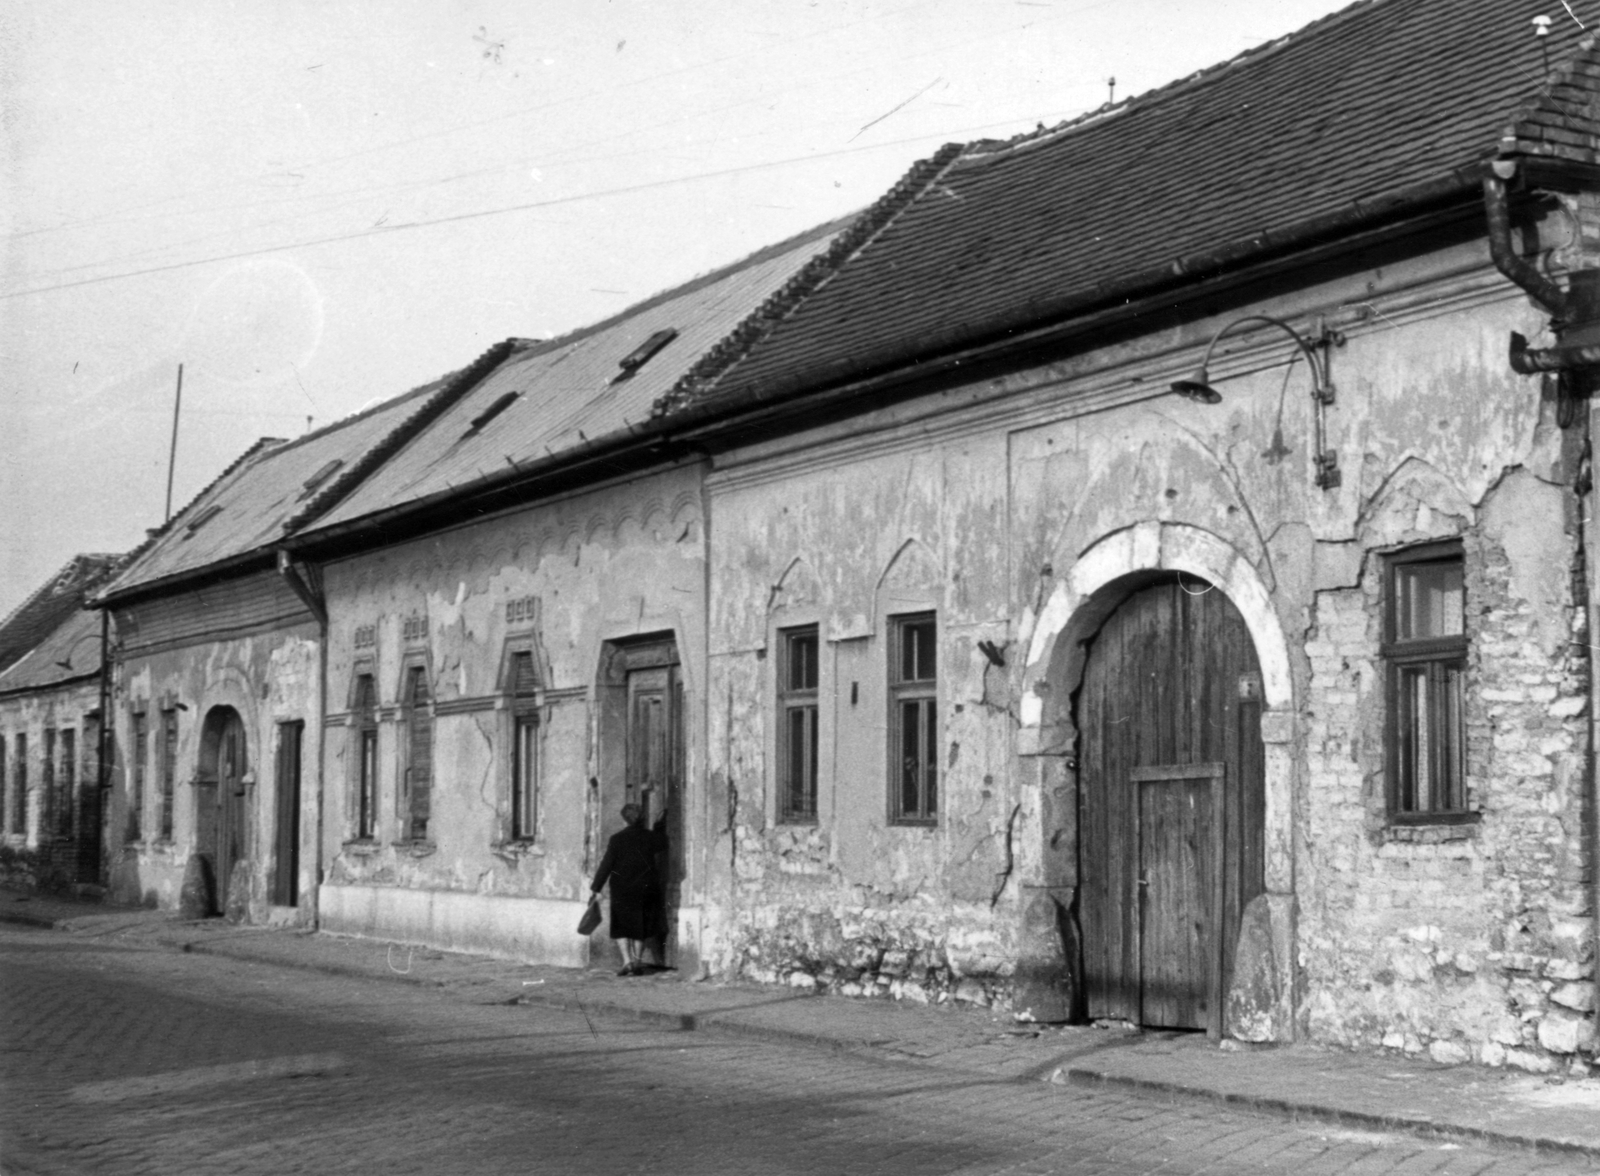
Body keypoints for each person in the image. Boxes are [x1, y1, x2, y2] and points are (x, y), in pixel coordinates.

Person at [589, 802, 668, 976]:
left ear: (624, 819)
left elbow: (606, 864)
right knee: (641, 926)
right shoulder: (650, 837)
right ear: (641, 819)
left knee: (621, 925)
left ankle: (627, 961)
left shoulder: (617, 839)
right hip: (645, 887)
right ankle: (638, 962)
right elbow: (662, 843)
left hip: (622, 888)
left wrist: (596, 887)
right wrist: (658, 825)